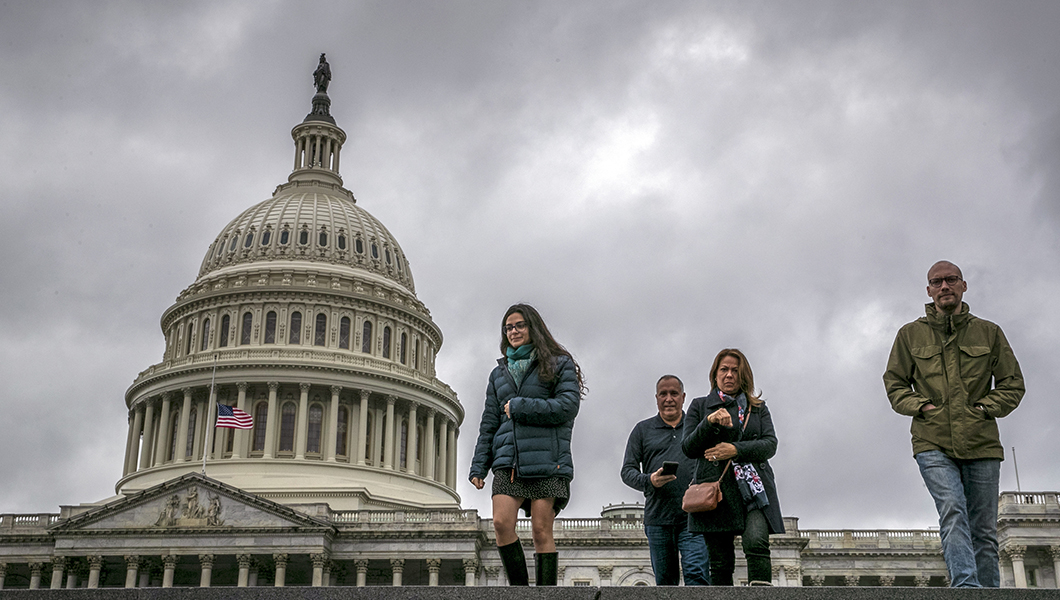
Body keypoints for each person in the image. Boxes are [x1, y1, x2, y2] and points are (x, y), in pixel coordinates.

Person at [884, 260, 1024, 588]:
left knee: (985, 530)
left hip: (981, 440)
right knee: (953, 512)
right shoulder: (910, 334)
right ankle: (966, 588)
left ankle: (988, 593)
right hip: (931, 439)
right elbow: (894, 384)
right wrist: (923, 406)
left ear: (963, 285)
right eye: (937, 282)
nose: (944, 286)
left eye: (951, 280)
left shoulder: (989, 332)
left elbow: (1013, 383)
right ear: (929, 290)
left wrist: (984, 408)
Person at [469, 303, 585, 586]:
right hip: (509, 461)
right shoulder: (498, 374)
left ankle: (545, 595)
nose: (514, 331)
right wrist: (479, 465)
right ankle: (520, 592)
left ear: (533, 327)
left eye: (520, 325)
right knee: (500, 523)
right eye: (508, 327)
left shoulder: (558, 363)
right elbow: (489, 423)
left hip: (547, 458)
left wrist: (521, 406)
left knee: (541, 532)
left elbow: (568, 406)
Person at [681, 349, 783, 586]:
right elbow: (688, 448)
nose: (729, 375)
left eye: (734, 370)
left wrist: (735, 449)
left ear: (743, 375)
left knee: (757, 542)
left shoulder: (757, 408)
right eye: (723, 370)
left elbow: (770, 444)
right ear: (715, 375)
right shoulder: (700, 406)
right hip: (717, 491)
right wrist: (709, 422)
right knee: (720, 561)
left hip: (753, 490)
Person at [621, 375, 710, 586]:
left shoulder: (698, 428)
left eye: (674, 393)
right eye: (663, 394)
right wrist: (649, 480)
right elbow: (627, 471)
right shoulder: (642, 430)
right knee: (665, 583)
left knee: (697, 574)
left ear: (683, 397)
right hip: (658, 518)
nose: (668, 399)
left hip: (694, 517)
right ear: (656, 398)